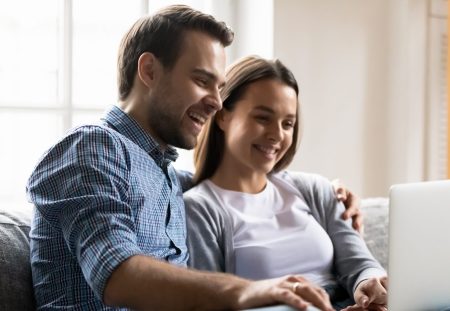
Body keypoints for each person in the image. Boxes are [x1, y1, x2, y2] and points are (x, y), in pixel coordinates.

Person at [26, 5, 361, 311]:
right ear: (149, 70)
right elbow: (118, 274)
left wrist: (330, 196)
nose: (216, 102)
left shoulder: (167, 174)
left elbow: (236, 184)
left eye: (220, 87)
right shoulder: (92, 148)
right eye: (202, 81)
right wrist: (248, 291)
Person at [184, 56, 388, 311]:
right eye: (262, 118)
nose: (277, 135)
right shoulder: (200, 208)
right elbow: (211, 302)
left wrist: (370, 285)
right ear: (223, 116)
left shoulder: (315, 189)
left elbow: (360, 264)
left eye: (287, 123)